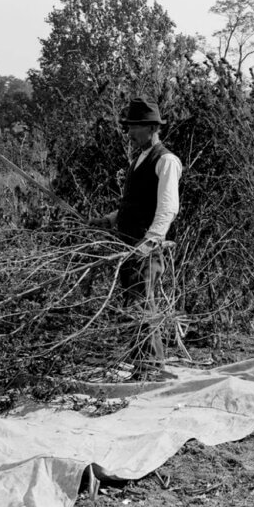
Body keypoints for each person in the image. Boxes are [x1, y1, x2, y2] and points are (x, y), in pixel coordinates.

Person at [87, 97, 182, 368]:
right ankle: (141, 361)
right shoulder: (139, 159)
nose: (129, 132)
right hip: (128, 243)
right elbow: (137, 203)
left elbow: (167, 208)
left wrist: (150, 242)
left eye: (134, 127)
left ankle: (150, 367)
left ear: (151, 128)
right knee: (135, 302)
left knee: (142, 304)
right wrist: (108, 220)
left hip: (145, 245)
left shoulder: (166, 161)